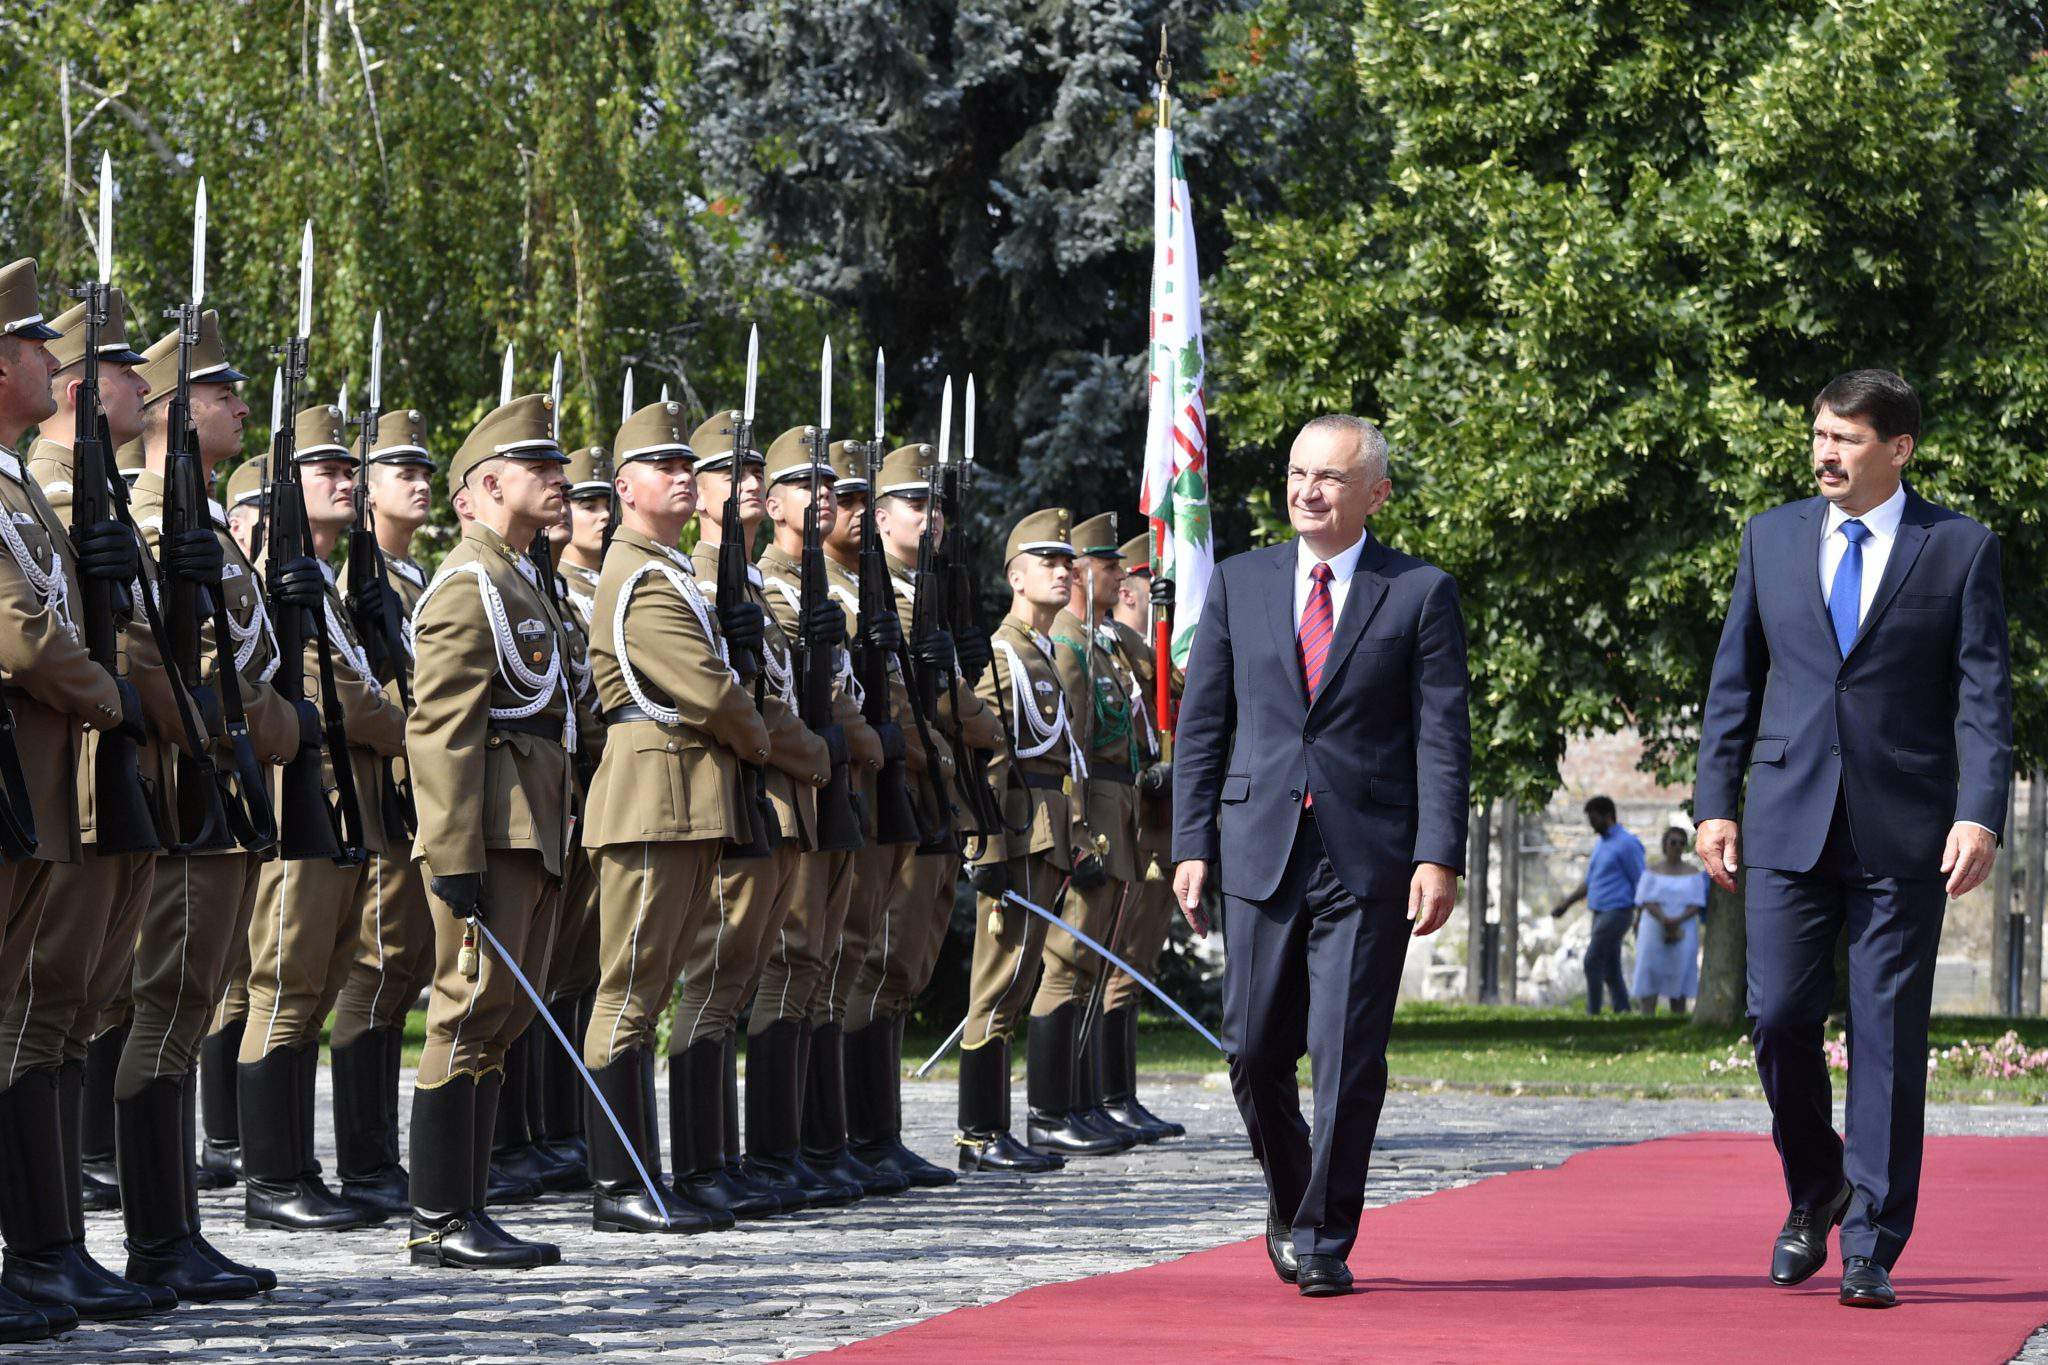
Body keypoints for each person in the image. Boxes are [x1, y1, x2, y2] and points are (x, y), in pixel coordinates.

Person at [1693, 369, 2010, 1310]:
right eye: (1820, 435)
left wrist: (1980, 810)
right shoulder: (1770, 536)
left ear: (1899, 448)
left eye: (1848, 438)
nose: (1827, 452)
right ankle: (1816, 1185)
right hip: (1787, 816)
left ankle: (1871, 1239)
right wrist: (1715, 803)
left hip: (1904, 826)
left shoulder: (1958, 547)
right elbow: (1732, 684)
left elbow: (1985, 698)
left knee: (1886, 1034)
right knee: (1778, 1016)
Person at [1172, 414, 1469, 1299]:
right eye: (1299, 472)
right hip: (1259, 846)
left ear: (1375, 493)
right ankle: (1292, 1189)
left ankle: (1325, 1233)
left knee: (1346, 1053)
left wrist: (1438, 852)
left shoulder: (1418, 592)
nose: (1308, 490)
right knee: (1253, 1046)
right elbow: (1204, 727)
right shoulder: (1239, 583)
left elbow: (1441, 737)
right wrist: (1190, 843)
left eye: (1330, 477)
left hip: (1367, 856)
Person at [580, 401, 770, 1235]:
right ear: (626, 488)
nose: (685, 476)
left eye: (687, 465)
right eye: (666, 466)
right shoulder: (640, 575)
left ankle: (648, 1173)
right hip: (650, 797)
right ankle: (619, 1182)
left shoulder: (665, 569)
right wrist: (764, 736)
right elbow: (709, 689)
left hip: (683, 795)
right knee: (628, 992)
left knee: (652, 991)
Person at [0, 257, 144, 1332]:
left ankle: (46, 1249)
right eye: (36, 347)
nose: (57, 361)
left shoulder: (12, 488)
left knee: (34, 1021)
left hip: (38, 782)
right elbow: (22, 631)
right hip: (23, 771)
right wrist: (117, 700)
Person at [404, 391, 575, 1269]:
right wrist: (453, 855)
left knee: (501, 1015)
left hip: (535, 827)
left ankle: (468, 1203)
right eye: (540, 468)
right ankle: (437, 1214)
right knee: (465, 1008)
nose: (559, 479)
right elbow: (440, 729)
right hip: (492, 835)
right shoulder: (470, 584)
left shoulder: (522, 579)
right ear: (489, 483)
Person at [238, 405, 408, 1234]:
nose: (346, 480)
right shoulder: (279, 572)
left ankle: (299, 1166)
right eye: (325, 469)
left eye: (349, 469)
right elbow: (332, 695)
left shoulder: (331, 582)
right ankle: (270, 1178)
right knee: (284, 983)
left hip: (348, 808)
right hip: (304, 805)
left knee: (316, 987)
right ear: (282, 487)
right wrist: (401, 710)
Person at [327, 406, 438, 1216]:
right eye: (405, 472)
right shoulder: (354, 580)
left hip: (412, 786)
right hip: (377, 786)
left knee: (400, 967)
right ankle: (364, 1159)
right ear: (369, 490)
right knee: (373, 966)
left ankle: (380, 1154)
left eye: (426, 471)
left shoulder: (413, 580)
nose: (422, 483)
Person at [955, 508, 1090, 1175]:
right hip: (1014, 832)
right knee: (999, 979)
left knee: (1018, 978)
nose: (1064, 570)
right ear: (1017, 576)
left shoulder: (1039, 650)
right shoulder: (1003, 651)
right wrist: (984, 848)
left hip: (1045, 827)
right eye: (1048, 561)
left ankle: (994, 1128)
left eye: (1067, 561)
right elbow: (984, 755)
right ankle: (978, 1132)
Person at [1030, 512, 1143, 1155]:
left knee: (1092, 963)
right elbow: (1066, 745)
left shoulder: (1096, 645)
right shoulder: (1069, 645)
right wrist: (1075, 831)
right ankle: (1053, 1108)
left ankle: (1080, 1100)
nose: (1119, 575)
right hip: (1089, 816)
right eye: (1107, 566)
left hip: (1113, 811)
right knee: (1066, 961)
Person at [1094, 530, 1182, 1139]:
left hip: (1159, 816)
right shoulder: (1115, 646)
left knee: (1136, 960)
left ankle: (1117, 1091)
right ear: (1130, 586)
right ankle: (1098, 1094)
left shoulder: (1143, 651)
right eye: (1159, 587)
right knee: (1109, 958)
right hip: (1128, 815)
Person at [1550, 796, 1644, 1015]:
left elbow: (1640, 880)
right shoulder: (1601, 844)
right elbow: (1590, 882)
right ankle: (1623, 1010)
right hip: (1599, 912)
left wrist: (1641, 915)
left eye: (1593, 819)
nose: (1590, 824)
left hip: (1618, 911)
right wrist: (1566, 904)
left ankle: (1592, 1012)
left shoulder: (1627, 843)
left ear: (1607, 816)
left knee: (1592, 960)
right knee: (1611, 967)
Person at [1631, 828, 1704, 1015]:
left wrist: (1677, 920)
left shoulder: (1694, 873)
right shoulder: (1651, 871)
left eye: (1681, 843)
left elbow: (1697, 902)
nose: (1677, 846)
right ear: (1665, 844)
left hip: (1684, 926)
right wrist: (1664, 919)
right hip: (1654, 926)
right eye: (1673, 842)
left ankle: (1678, 1014)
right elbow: (1644, 899)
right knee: (1650, 969)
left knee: (1680, 968)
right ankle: (1647, 1014)